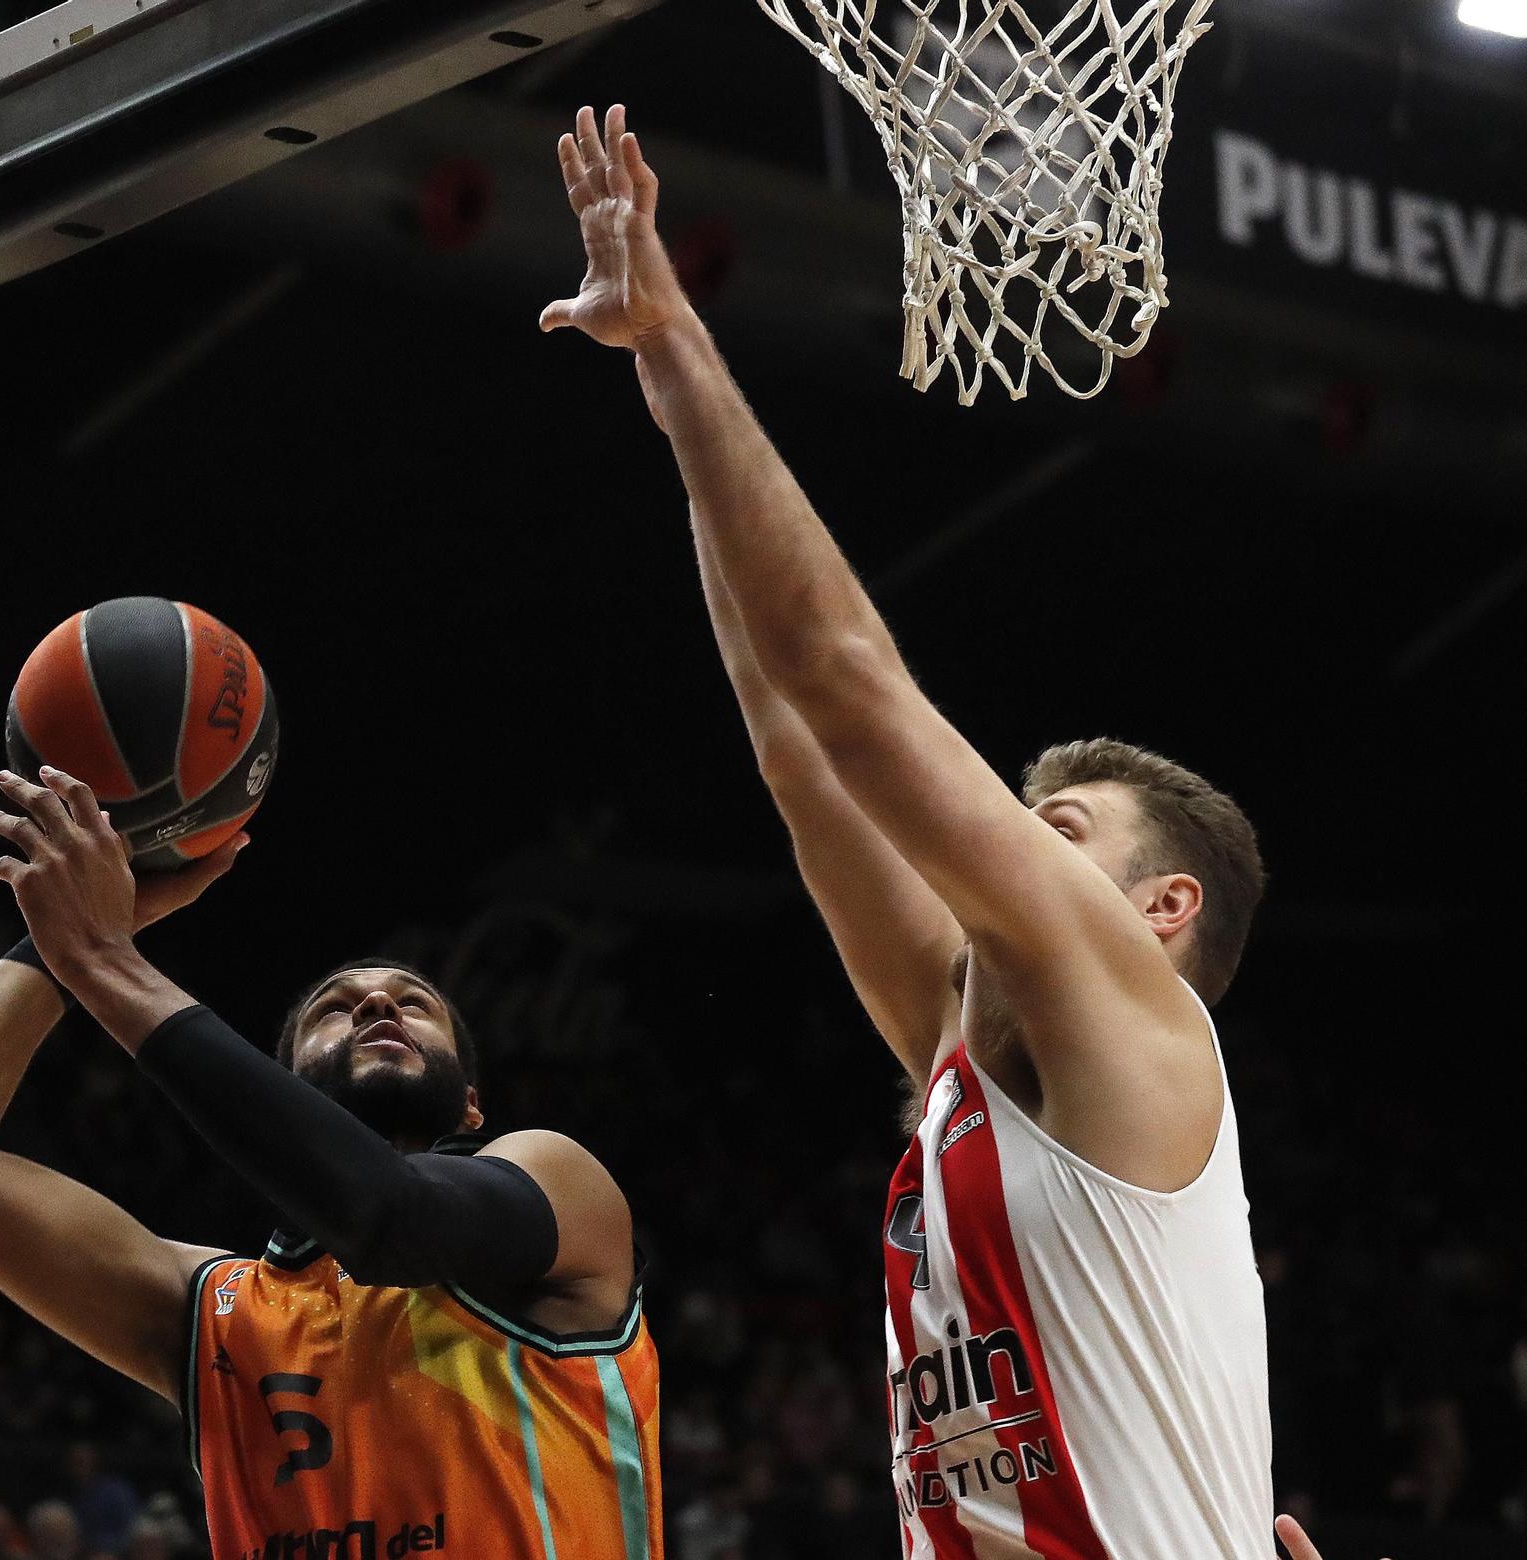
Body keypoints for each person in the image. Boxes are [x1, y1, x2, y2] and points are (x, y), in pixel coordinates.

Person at [544, 104, 1270, 1556]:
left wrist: (688, 353)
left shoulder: (1139, 1022)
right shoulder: (968, 1059)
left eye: (1053, 827)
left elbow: (849, 684)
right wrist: (670, 411)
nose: (1001, 841)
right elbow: (797, 741)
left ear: (1161, 911)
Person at [0, 769, 660, 1560]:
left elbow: (395, 1221)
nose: (378, 1004)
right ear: (282, 1088)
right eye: (334, 1010)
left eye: (414, 1004)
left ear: (473, 1106)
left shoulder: (561, 1182)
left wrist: (103, 956)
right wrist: (64, 943)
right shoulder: (211, 1313)